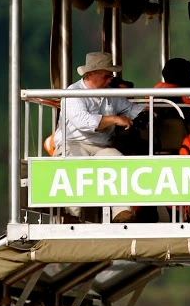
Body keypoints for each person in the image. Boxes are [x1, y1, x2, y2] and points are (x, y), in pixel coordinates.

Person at [57, 51, 143, 222]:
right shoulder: (72, 92)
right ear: (91, 74)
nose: (110, 79)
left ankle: (122, 213)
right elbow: (84, 122)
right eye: (106, 75)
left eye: (111, 76)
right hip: (72, 143)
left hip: (101, 147)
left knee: (118, 160)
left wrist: (146, 115)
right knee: (74, 164)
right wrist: (115, 119)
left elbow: (130, 109)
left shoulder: (110, 93)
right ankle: (70, 215)